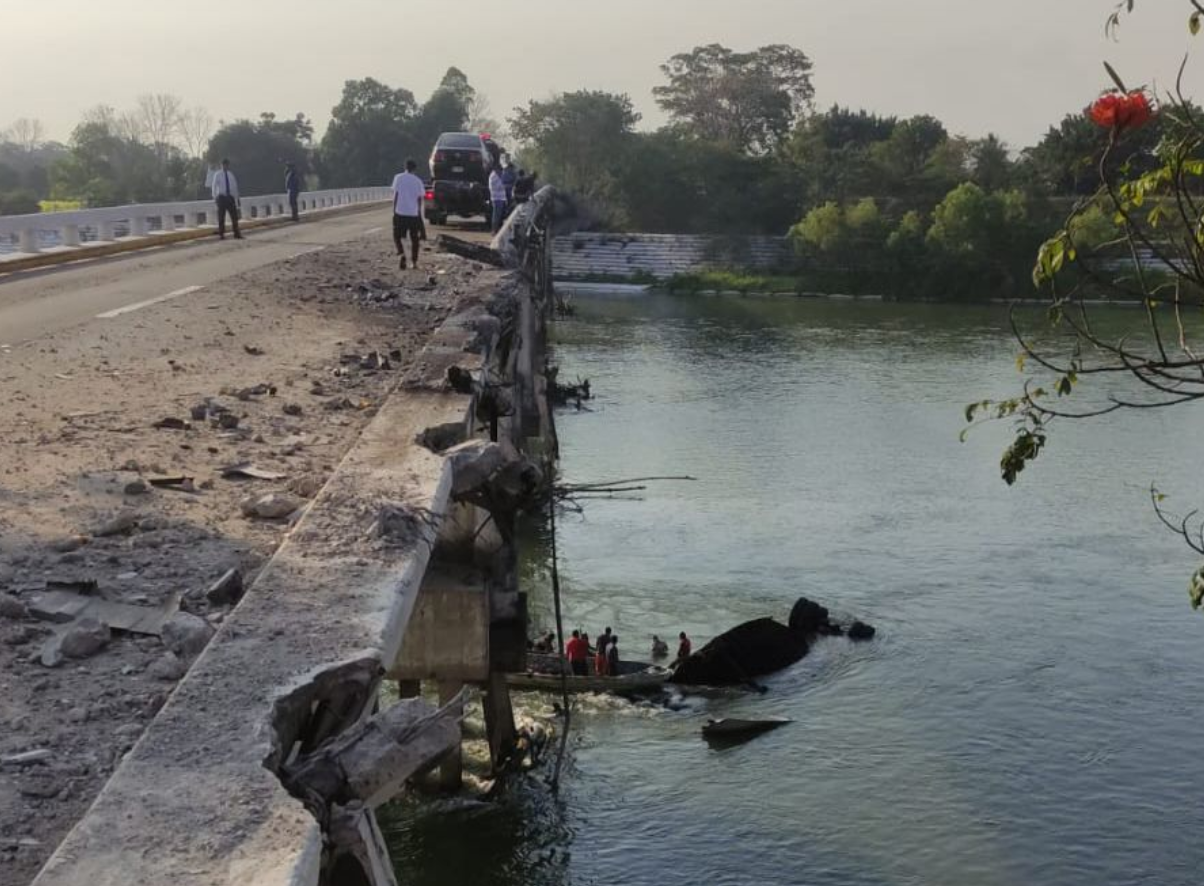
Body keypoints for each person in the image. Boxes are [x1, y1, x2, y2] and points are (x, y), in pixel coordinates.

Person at [390, 158, 426, 270]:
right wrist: (418, 212)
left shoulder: (398, 178)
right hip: (413, 214)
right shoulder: (418, 181)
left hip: (400, 212)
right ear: (415, 169)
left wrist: (394, 210)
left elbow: (396, 195)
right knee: (414, 239)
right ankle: (414, 262)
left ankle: (401, 253)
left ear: (405, 167)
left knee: (397, 235)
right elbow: (420, 199)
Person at [211, 158, 242, 240]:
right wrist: (215, 198)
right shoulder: (217, 174)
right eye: (224, 164)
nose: (225, 166)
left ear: (228, 165)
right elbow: (214, 186)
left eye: (227, 165)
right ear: (221, 165)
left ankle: (236, 233)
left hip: (230, 197)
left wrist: (237, 198)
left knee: (234, 216)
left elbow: (235, 187)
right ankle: (221, 234)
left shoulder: (231, 174)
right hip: (221, 197)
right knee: (221, 216)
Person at [488, 163, 508, 234]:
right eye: (500, 170)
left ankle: (495, 229)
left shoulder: (497, 176)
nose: (501, 172)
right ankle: (494, 230)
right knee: (496, 215)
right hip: (496, 198)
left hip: (500, 198)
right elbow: (498, 187)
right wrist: (504, 185)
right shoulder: (493, 176)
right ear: (496, 169)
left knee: (498, 215)